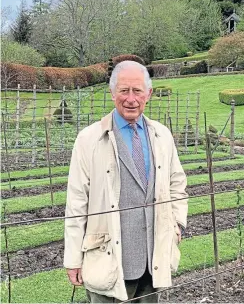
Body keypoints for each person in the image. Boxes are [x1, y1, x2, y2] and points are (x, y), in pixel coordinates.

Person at [64, 60, 188, 303]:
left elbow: (177, 184)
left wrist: (177, 225)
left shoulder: (162, 135)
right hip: (108, 259)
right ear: (112, 93)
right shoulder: (89, 139)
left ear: (148, 94)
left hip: (152, 261)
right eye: (124, 91)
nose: (131, 98)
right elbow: (76, 201)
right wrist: (73, 259)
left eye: (137, 91)